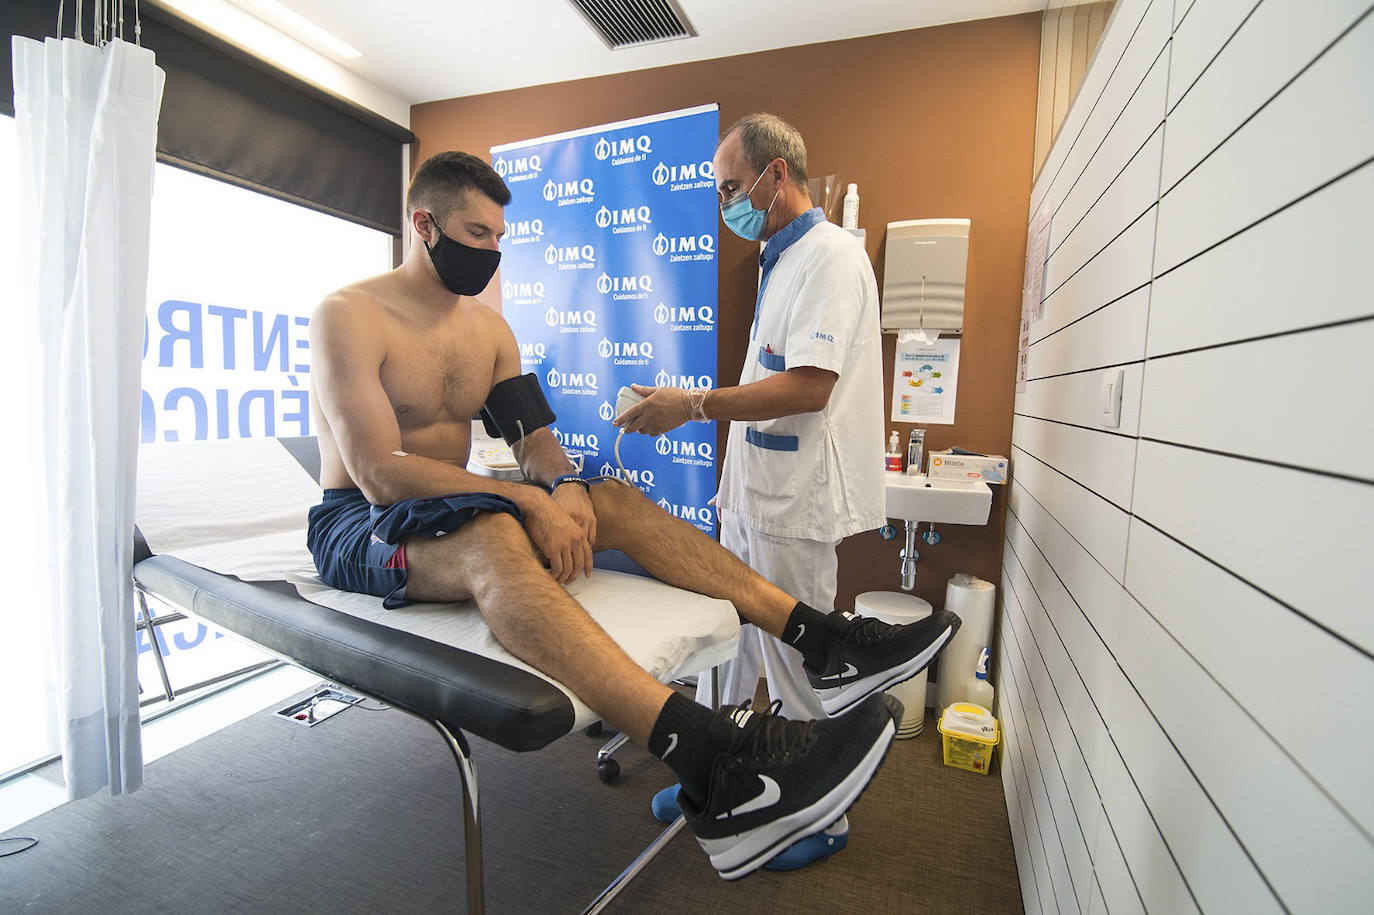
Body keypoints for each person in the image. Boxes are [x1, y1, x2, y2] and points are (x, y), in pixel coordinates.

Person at [306, 150, 959, 881]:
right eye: (475, 233)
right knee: (491, 534)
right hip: (359, 523)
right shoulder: (349, 316)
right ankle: (710, 760)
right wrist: (525, 498)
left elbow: (535, 441)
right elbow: (378, 471)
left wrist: (562, 486)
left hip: (451, 502)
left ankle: (827, 640)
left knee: (605, 494)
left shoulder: (487, 333)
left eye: (498, 237)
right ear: (423, 224)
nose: (491, 251)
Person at [616, 114, 952, 869]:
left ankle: (819, 816)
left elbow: (806, 387)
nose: (725, 202)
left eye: (732, 186)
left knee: (802, 666)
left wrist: (692, 405)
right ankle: (718, 775)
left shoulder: (831, 258)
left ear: (776, 175)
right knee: (729, 647)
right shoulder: (780, 256)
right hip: (754, 496)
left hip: (795, 502)